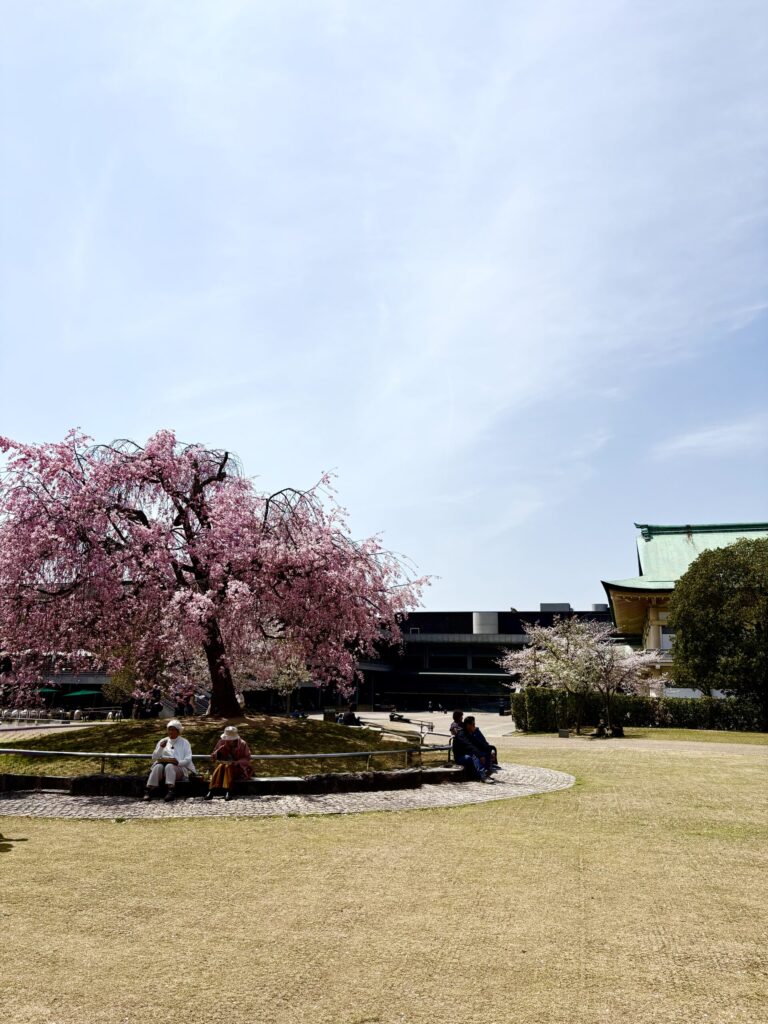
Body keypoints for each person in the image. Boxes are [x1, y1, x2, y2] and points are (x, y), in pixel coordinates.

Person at [143, 719, 195, 802]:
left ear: (178, 731)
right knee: (158, 766)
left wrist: (178, 762)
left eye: (173, 730)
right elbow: (154, 757)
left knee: (169, 766)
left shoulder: (185, 742)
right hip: (163, 768)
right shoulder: (163, 741)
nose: (170, 732)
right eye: (169, 729)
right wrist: (161, 748)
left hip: (179, 769)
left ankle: (171, 790)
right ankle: (148, 790)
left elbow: (188, 759)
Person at [204, 725, 252, 801]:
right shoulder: (221, 742)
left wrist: (237, 762)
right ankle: (212, 790)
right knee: (222, 766)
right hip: (223, 768)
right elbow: (214, 756)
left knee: (227, 767)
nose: (228, 740)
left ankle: (227, 791)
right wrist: (222, 748)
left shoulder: (242, 744)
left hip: (238, 769)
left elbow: (247, 758)